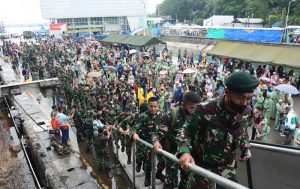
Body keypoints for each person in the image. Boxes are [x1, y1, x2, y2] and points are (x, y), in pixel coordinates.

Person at [178, 72, 259, 189]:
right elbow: (186, 131)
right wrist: (184, 151)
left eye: (249, 98)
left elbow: (242, 132)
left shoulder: (246, 112)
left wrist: (245, 147)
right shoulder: (205, 109)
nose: (245, 103)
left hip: (227, 169)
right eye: (240, 98)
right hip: (202, 169)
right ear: (227, 92)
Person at [153, 91, 200, 189]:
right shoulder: (173, 113)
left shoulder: (198, 115)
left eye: (197, 107)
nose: (194, 110)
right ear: (183, 105)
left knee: (186, 183)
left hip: (189, 154)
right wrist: (156, 141)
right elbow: (159, 131)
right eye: (192, 107)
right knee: (170, 181)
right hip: (173, 153)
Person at [131, 97, 163, 187]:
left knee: (164, 161)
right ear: (148, 106)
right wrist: (134, 134)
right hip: (147, 142)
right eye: (151, 106)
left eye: (155, 106)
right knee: (148, 162)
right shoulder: (143, 116)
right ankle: (148, 177)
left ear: (158, 106)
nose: (153, 108)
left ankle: (159, 173)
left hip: (159, 142)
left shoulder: (162, 115)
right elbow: (134, 127)